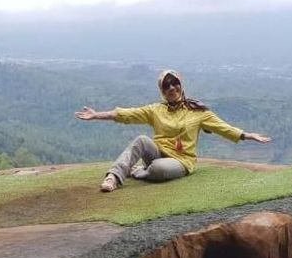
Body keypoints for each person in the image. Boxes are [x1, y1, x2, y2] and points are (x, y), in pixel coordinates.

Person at [75, 69, 272, 192]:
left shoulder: (198, 112)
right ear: (162, 90)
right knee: (142, 140)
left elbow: (223, 128)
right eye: (166, 85)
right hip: (158, 153)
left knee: (159, 169)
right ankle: (114, 177)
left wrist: (247, 135)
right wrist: (97, 115)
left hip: (180, 161)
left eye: (174, 83)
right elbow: (127, 114)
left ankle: (139, 173)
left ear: (181, 85)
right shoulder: (156, 110)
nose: (171, 88)